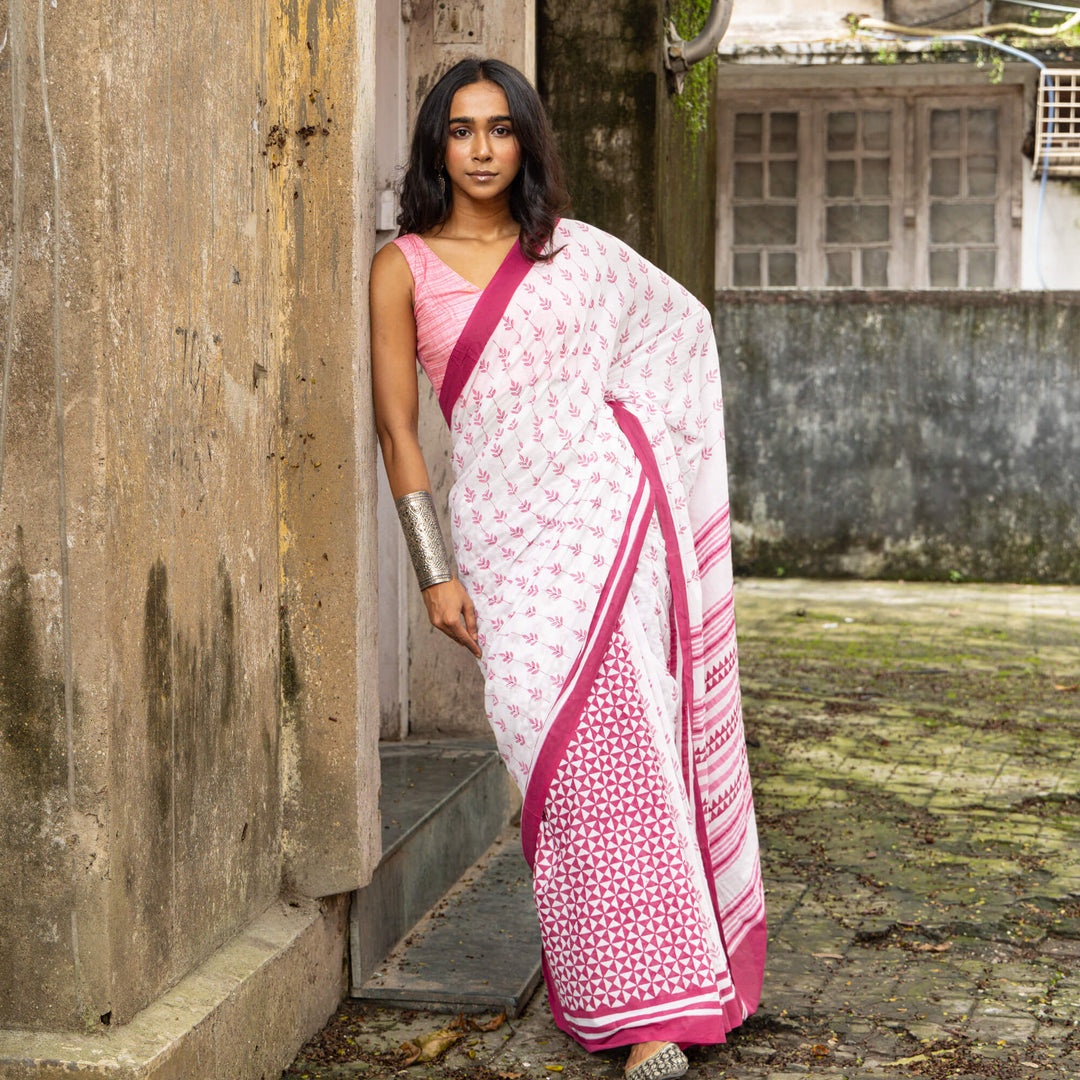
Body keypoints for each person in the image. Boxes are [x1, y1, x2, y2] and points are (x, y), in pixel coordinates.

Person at [370, 57, 765, 1080]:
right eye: (462, 131)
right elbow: (397, 433)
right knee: (545, 733)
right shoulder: (401, 267)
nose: (484, 149)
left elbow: (678, 330)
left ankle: (657, 1014)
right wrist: (433, 573)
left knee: (625, 744)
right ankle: (604, 985)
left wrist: (635, 461)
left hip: (604, 522)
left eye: (502, 129)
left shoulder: (575, 255)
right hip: (502, 542)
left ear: (527, 139)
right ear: (436, 146)